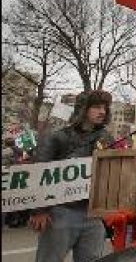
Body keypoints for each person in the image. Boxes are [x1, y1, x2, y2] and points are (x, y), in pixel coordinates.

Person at [29, 90, 114, 262]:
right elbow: (39, 172)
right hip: (60, 211)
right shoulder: (58, 136)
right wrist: (39, 210)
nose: (102, 112)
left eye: (104, 108)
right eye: (97, 107)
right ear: (83, 109)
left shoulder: (106, 137)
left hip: (93, 214)